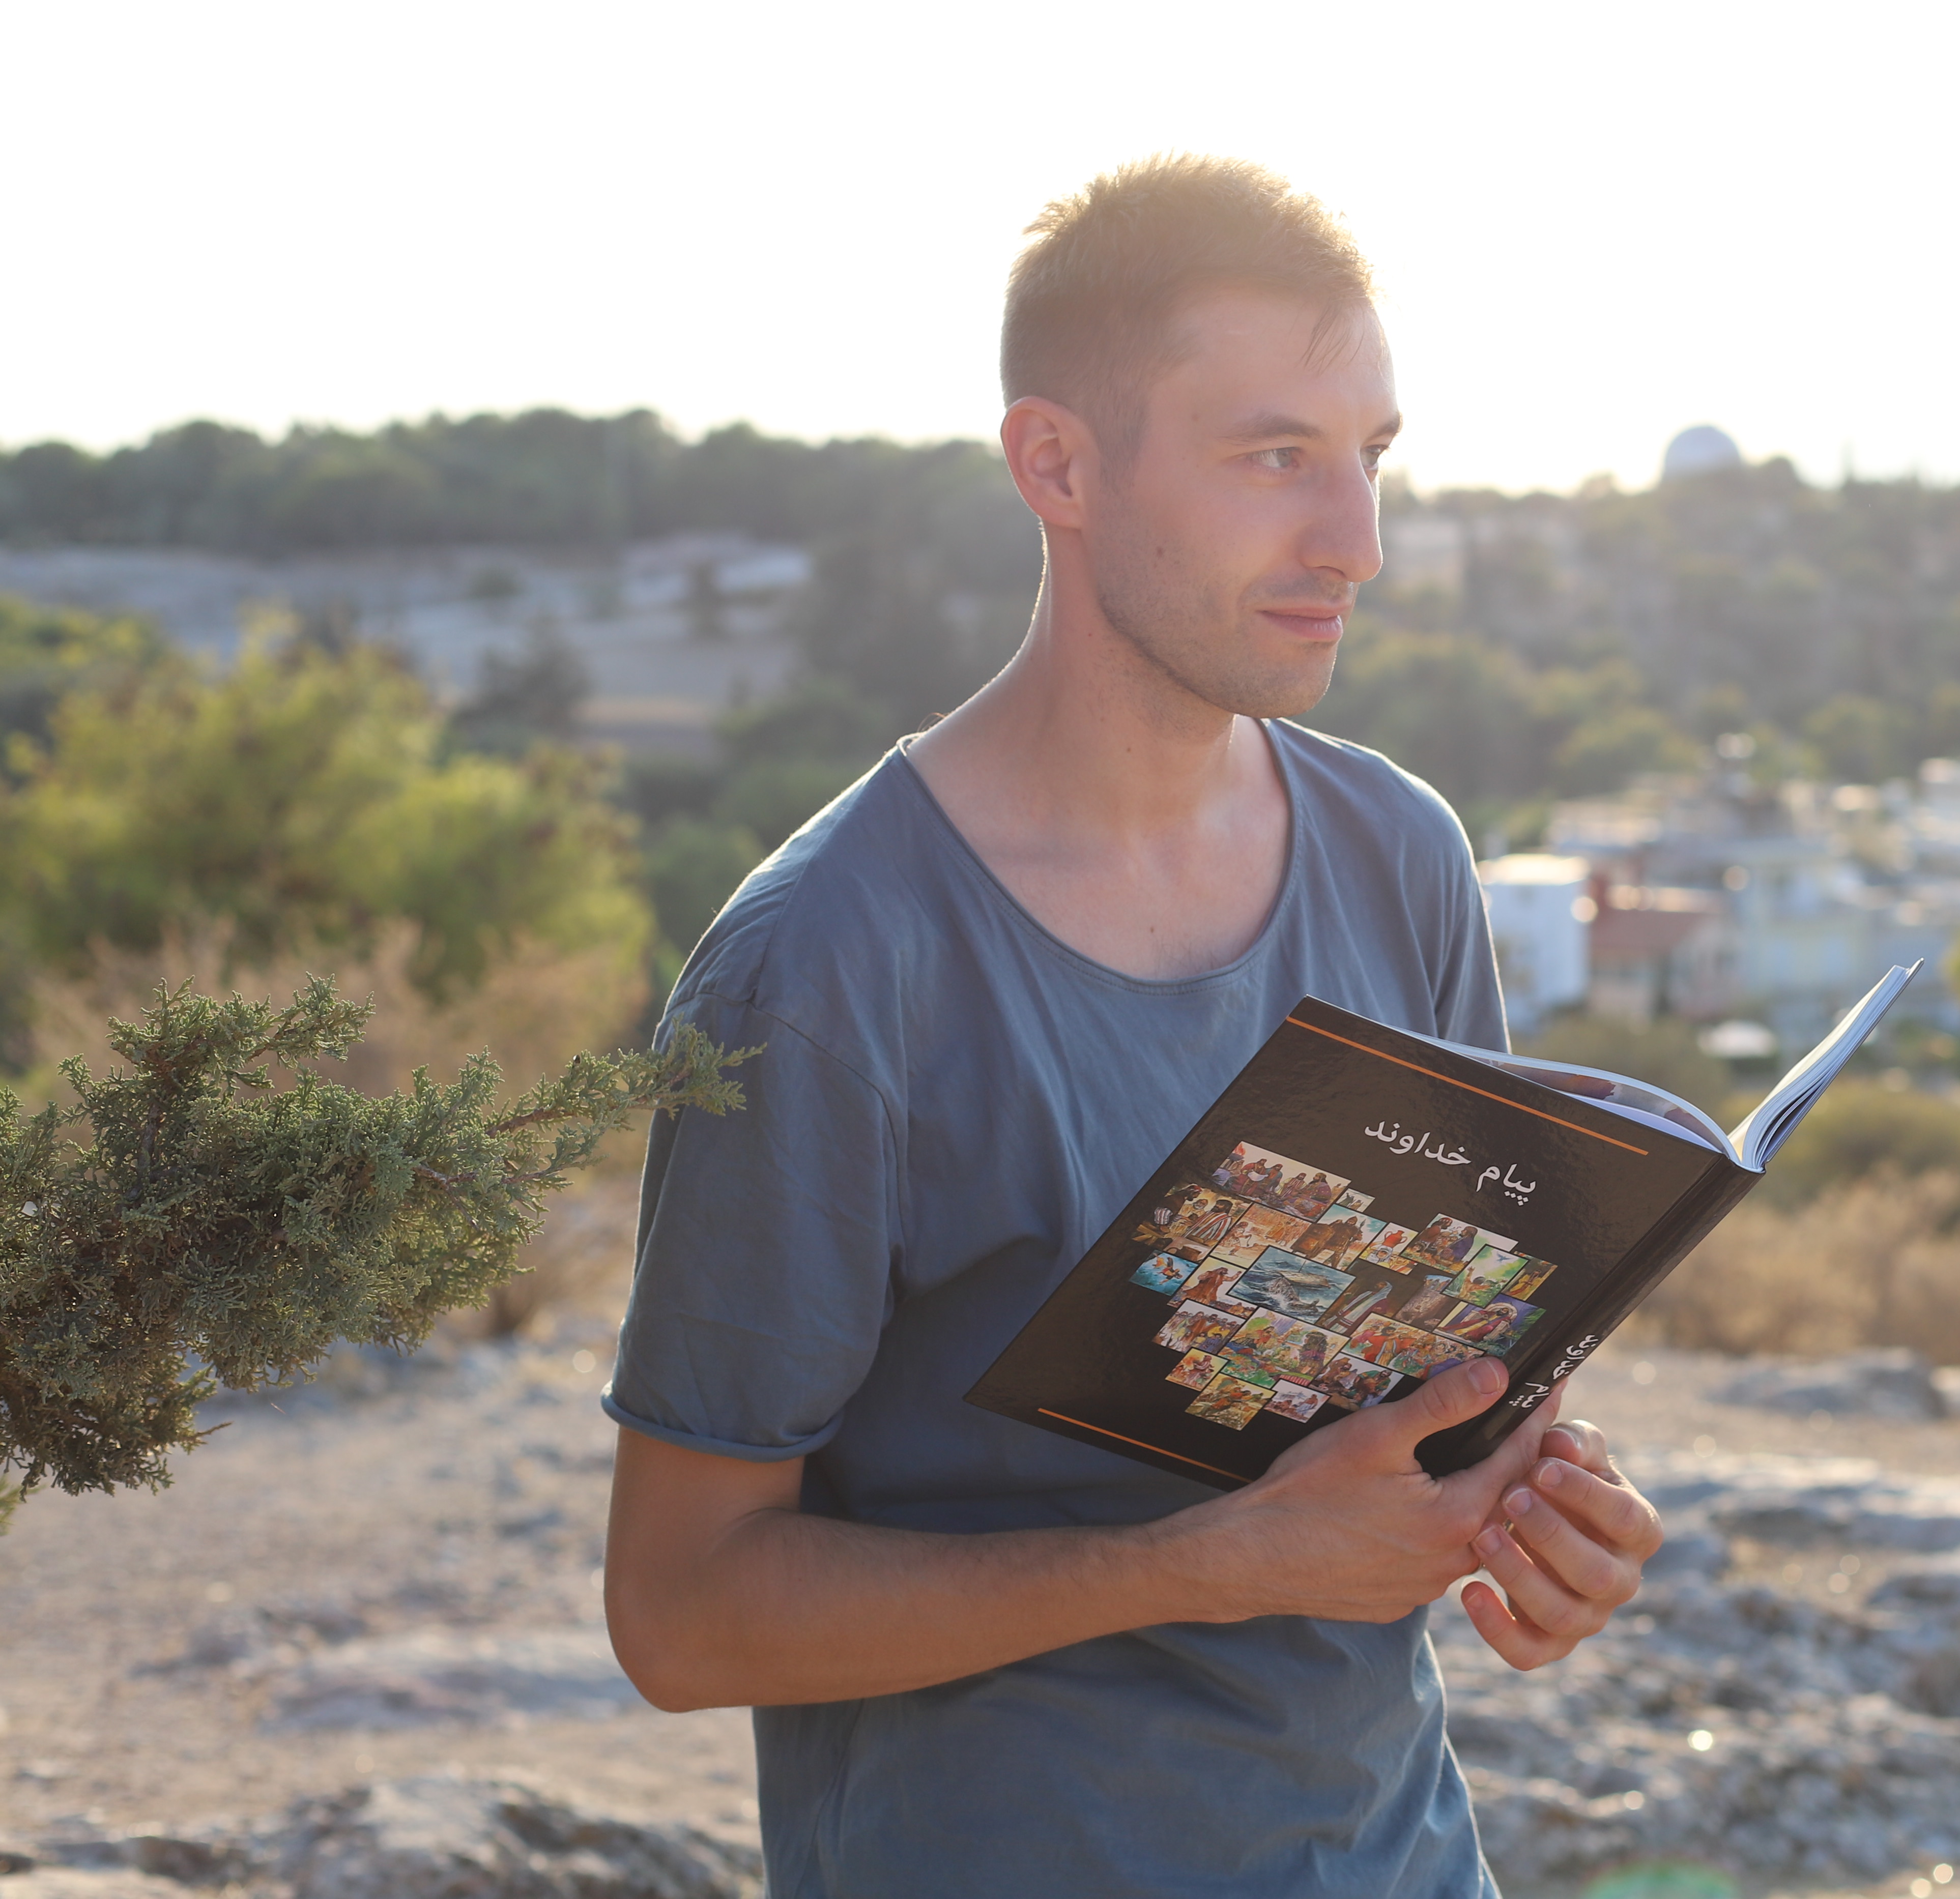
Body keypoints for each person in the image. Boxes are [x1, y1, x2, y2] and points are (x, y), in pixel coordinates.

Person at [598, 156, 1664, 1897]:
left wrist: (1542, 1512)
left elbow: (1444, 1391)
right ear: (1058, 466)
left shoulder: (1403, 856)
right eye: (1273, 458)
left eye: (1370, 457)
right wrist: (1207, 1564)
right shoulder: (823, 967)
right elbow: (681, 1613)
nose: (1358, 543)